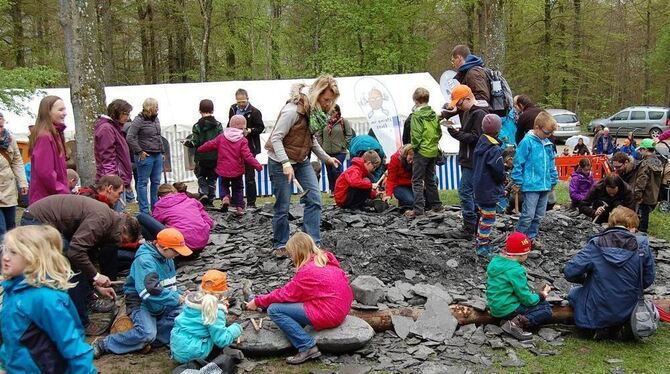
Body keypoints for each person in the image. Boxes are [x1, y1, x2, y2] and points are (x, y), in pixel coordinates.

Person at [21, 194, 141, 335]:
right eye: (123, 240)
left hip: (49, 222)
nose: (121, 244)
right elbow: (76, 252)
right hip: (37, 221)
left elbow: (88, 256)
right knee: (72, 270)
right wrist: (96, 276)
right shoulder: (101, 220)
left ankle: (87, 299)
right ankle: (81, 323)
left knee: (79, 264)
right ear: (123, 230)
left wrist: (95, 285)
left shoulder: (109, 222)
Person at [245, 232, 353, 365]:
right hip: (342, 308)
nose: (291, 258)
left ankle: (307, 346)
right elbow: (295, 293)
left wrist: (258, 301)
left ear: (298, 252)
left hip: (330, 313)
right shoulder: (325, 259)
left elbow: (285, 294)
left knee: (274, 310)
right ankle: (297, 327)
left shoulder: (307, 270)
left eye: (291, 254)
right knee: (289, 301)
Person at [0, 225, 96, 374]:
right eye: (5, 249)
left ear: (33, 257)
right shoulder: (11, 292)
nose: (5, 257)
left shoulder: (45, 299)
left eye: (13, 252)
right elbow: (12, 336)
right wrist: (5, 362)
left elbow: (72, 344)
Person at [265, 76, 342, 251]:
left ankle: (312, 242)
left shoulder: (312, 113)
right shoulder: (292, 111)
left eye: (332, 100)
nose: (328, 104)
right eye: (326, 100)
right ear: (316, 95)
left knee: (314, 198)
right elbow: (276, 138)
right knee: (283, 205)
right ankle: (281, 244)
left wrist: (326, 158)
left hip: (301, 160)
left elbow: (310, 139)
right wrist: (285, 163)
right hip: (279, 161)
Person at [93, 228, 190, 358]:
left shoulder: (168, 259)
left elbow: (169, 285)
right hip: (141, 301)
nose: (178, 255)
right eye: (176, 252)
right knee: (148, 333)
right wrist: (176, 298)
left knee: (187, 315)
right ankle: (104, 344)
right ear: (165, 248)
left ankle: (142, 340)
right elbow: (148, 292)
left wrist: (182, 294)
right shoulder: (145, 261)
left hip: (159, 300)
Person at [564, 207, 655, 339]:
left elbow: (570, 272)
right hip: (628, 302)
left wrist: (586, 280)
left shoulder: (596, 243)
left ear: (611, 223)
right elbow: (648, 278)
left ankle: (598, 326)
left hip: (598, 302)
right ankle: (622, 324)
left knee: (573, 293)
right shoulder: (642, 246)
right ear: (631, 226)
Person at [487, 232, 552, 341]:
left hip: (495, 306)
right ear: (521, 254)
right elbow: (526, 299)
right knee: (546, 309)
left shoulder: (495, 262)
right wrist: (541, 296)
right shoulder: (516, 270)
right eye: (527, 253)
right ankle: (515, 324)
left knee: (537, 303)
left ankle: (507, 320)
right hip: (506, 308)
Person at [170, 270, 243, 364]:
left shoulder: (191, 302)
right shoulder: (215, 311)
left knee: (205, 329)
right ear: (223, 293)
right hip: (194, 354)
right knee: (219, 337)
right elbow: (222, 341)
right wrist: (236, 328)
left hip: (177, 349)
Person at [198, 115, 263, 215]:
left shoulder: (221, 137)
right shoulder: (242, 141)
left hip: (223, 170)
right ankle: (239, 207)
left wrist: (200, 149)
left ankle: (225, 198)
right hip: (237, 171)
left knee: (224, 185)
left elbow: (210, 144)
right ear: (243, 127)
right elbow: (247, 156)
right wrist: (257, 165)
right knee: (238, 188)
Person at [511, 111, 558, 248]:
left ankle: (531, 238)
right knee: (528, 215)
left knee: (538, 216)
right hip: (531, 185)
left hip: (544, 185)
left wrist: (553, 179)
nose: (548, 136)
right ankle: (518, 238)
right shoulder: (527, 142)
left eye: (550, 133)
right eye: (546, 132)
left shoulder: (547, 143)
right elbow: (518, 162)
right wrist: (517, 180)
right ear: (537, 127)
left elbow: (551, 163)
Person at [447, 84, 488, 237]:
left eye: (459, 103)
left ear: (468, 98)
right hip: (468, 158)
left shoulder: (478, 114)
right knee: (471, 193)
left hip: (473, 160)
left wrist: (456, 134)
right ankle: (475, 225)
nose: (458, 106)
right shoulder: (468, 112)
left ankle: (469, 226)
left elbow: (476, 138)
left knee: (465, 192)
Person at [138, 184, 214, 253]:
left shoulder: (160, 206)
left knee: (141, 217)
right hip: (202, 242)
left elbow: (155, 226)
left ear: (159, 197)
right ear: (175, 191)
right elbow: (210, 222)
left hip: (180, 245)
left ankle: (152, 248)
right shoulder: (192, 201)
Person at [405, 87, 442, 218]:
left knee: (417, 181)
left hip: (421, 151)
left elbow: (416, 135)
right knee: (430, 179)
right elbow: (439, 132)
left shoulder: (416, 116)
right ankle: (437, 206)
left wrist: (414, 148)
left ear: (415, 100)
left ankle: (418, 209)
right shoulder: (433, 114)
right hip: (432, 150)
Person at [28, 95, 70, 204]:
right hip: (46, 201)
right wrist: (64, 191)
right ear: (48, 112)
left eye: (64, 109)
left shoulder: (56, 134)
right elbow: (46, 173)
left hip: (53, 199)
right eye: (60, 110)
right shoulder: (45, 137)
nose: (65, 113)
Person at [473, 114, 505, 256]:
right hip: (489, 189)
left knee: (482, 215)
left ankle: (480, 240)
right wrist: (502, 180)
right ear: (498, 130)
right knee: (488, 218)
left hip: (479, 187)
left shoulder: (481, 144)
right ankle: (482, 246)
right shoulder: (494, 149)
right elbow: (497, 171)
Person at [126, 97, 164, 214]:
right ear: (150, 107)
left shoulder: (156, 119)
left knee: (156, 182)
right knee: (143, 182)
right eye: (156, 106)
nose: (158, 109)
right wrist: (139, 151)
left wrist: (162, 151)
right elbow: (130, 137)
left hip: (157, 154)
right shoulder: (139, 120)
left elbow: (158, 136)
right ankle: (144, 210)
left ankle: (155, 207)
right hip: (145, 156)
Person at [95, 99, 134, 211]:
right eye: (124, 114)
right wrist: (113, 181)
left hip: (120, 180)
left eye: (128, 114)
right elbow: (107, 158)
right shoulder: (106, 129)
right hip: (113, 182)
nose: (127, 117)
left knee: (123, 214)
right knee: (116, 216)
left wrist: (126, 182)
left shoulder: (114, 128)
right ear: (116, 113)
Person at [229, 88, 265, 208]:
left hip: (249, 147)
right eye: (239, 102)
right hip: (234, 147)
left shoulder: (255, 112)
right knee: (234, 176)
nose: (241, 104)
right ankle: (236, 202)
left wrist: (249, 131)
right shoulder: (233, 109)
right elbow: (229, 124)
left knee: (250, 177)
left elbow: (260, 127)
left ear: (248, 99)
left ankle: (251, 203)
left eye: (243, 102)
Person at [0, 113, 28, 242]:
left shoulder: (10, 139)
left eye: (1, 124)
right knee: (1, 230)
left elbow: (17, 161)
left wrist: (23, 183)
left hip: (9, 190)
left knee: (11, 228)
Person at [190, 99, 223, 206]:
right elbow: (221, 141)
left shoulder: (196, 126)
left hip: (201, 157)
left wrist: (187, 143)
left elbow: (195, 142)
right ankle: (211, 199)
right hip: (215, 157)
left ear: (199, 110)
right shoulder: (218, 125)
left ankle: (203, 193)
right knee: (213, 178)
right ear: (212, 110)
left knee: (201, 175)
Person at [316, 104, 354, 194]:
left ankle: (339, 189)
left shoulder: (343, 122)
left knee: (336, 170)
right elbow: (319, 134)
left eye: (333, 111)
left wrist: (343, 145)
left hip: (340, 151)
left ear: (338, 111)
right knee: (329, 171)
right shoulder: (323, 122)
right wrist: (321, 146)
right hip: (326, 152)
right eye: (329, 111)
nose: (331, 113)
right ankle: (332, 190)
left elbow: (349, 134)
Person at [633, 138, 663, 233]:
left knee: (642, 215)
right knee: (646, 214)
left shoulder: (645, 164)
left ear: (646, 150)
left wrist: (638, 195)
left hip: (644, 195)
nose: (640, 152)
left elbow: (641, 181)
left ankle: (642, 233)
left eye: (641, 149)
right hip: (653, 194)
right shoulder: (658, 162)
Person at [385, 144, 414, 209]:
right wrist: (388, 194)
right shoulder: (395, 158)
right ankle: (404, 204)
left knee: (434, 179)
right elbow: (390, 179)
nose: (411, 162)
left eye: (413, 160)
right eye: (410, 159)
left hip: (413, 184)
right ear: (405, 155)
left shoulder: (418, 158)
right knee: (411, 201)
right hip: (400, 185)